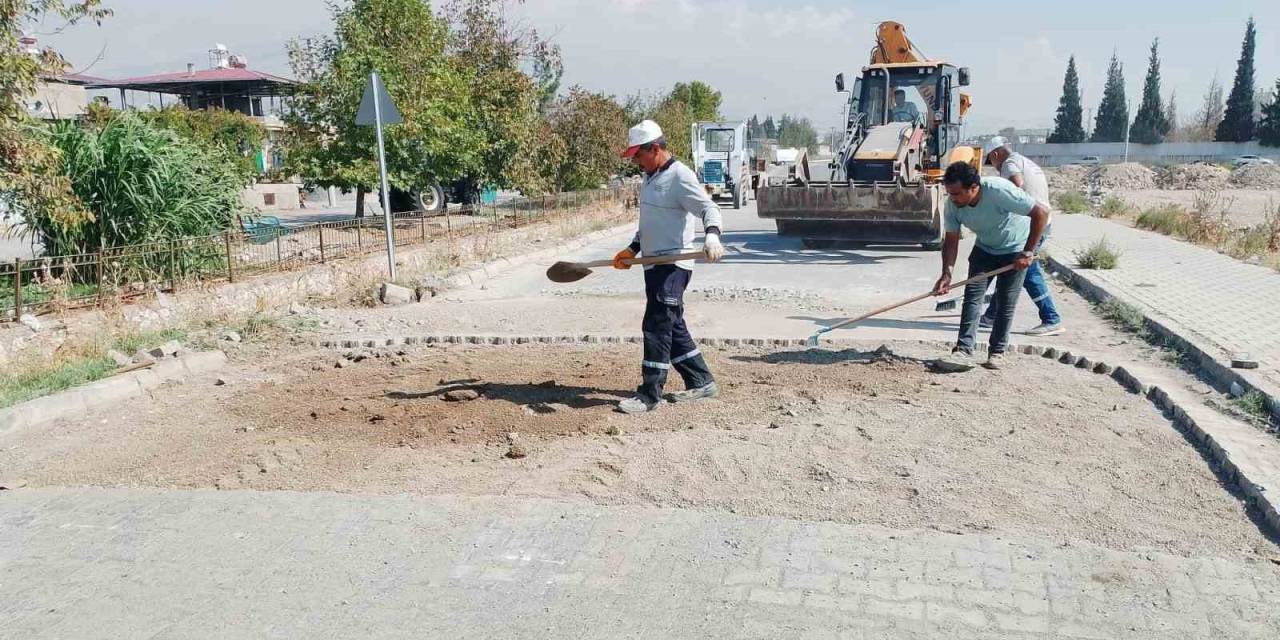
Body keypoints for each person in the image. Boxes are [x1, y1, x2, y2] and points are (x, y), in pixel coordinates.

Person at [613, 120, 726, 414]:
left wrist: (712, 236)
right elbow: (650, 224)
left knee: (656, 323)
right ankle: (701, 380)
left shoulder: (679, 175)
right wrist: (632, 249)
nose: (636, 161)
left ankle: (650, 394)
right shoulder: (651, 179)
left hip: (673, 263)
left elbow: (708, 207)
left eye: (639, 154)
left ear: (656, 148)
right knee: (672, 324)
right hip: (653, 264)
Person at [932, 161, 1050, 372]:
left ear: (974, 187)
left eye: (957, 193)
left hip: (1015, 247)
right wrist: (946, 273)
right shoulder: (952, 205)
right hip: (984, 249)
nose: (953, 198)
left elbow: (1041, 213)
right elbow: (951, 240)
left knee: (1005, 302)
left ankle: (998, 352)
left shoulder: (998, 190)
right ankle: (963, 349)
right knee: (972, 299)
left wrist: (1028, 252)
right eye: (950, 193)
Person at [978, 137, 1063, 336]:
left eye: (992, 162)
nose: (995, 167)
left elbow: (1017, 185)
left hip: (1032, 226)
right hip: (1041, 223)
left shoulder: (1009, 164)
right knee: (1010, 270)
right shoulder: (1026, 161)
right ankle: (991, 317)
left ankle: (1051, 318)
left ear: (995, 154)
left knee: (1028, 271)